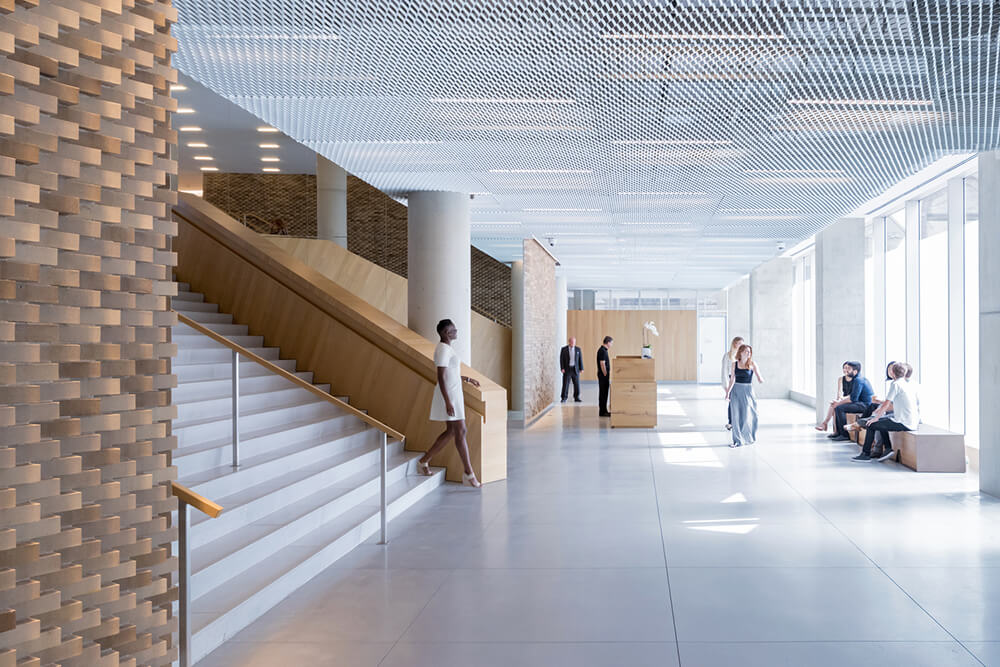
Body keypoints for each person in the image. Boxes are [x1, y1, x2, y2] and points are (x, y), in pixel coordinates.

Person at [417, 319, 482, 487]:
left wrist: (467, 379)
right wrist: (448, 401)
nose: (456, 331)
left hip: (454, 393)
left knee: (453, 431)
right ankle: (468, 473)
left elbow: (450, 373)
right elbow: (441, 376)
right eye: (454, 330)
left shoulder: (446, 348)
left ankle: (424, 461)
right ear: (446, 333)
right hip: (450, 395)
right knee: (460, 430)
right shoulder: (443, 350)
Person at [852, 361, 920, 462]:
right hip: (911, 422)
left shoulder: (895, 384)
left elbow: (886, 404)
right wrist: (878, 418)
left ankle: (865, 454)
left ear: (892, 372)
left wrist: (875, 418)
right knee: (880, 422)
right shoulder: (905, 384)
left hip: (903, 422)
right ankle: (888, 449)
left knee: (871, 424)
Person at [724, 343, 764, 447]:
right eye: (746, 351)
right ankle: (737, 441)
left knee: (747, 416)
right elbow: (732, 380)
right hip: (736, 391)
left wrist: (760, 379)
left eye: (749, 352)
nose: (748, 353)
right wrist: (728, 393)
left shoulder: (752, 364)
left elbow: (759, 376)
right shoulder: (734, 364)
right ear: (741, 352)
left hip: (747, 391)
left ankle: (748, 437)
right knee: (735, 416)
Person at [829, 361, 873, 441]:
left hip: (865, 405)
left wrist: (838, 403)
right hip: (859, 403)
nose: (846, 370)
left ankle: (844, 435)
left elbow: (853, 398)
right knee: (838, 407)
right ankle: (839, 432)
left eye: (849, 369)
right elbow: (852, 397)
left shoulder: (858, 380)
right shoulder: (857, 379)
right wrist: (838, 402)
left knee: (839, 408)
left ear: (855, 371)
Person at [816, 362, 862, 432]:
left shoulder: (856, 380)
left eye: (848, 368)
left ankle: (826, 424)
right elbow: (839, 392)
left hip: (852, 400)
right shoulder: (841, 379)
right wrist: (839, 400)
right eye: (844, 368)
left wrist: (840, 401)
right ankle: (834, 429)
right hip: (844, 400)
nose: (845, 370)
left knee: (834, 406)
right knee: (834, 405)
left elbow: (854, 395)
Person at [722, 336, 745, 430]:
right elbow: (724, 371)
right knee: (732, 402)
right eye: (739, 343)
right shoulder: (727, 356)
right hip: (731, 380)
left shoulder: (744, 355)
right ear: (734, 344)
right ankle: (731, 422)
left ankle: (741, 422)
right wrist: (726, 386)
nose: (741, 345)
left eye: (742, 344)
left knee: (742, 403)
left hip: (742, 381)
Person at [559, 336, 584, 403]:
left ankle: (577, 397)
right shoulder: (564, 349)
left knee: (577, 384)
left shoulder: (578, 349)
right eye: (572, 342)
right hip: (567, 369)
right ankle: (564, 398)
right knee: (565, 384)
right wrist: (562, 368)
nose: (573, 343)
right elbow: (561, 359)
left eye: (574, 342)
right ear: (569, 342)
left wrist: (581, 368)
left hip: (575, 369)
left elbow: (580, 359)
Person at [597, 336, 613, 417]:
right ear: (608, 342)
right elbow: (602, 363)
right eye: (611, 343)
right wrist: (605, 374)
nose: (611, 345)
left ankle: (603, 411)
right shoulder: (602, 351)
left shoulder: (603, 350)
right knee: (603, 393)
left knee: (604, 393)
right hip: (603, 376)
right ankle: (603, 412)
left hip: (603, 375)